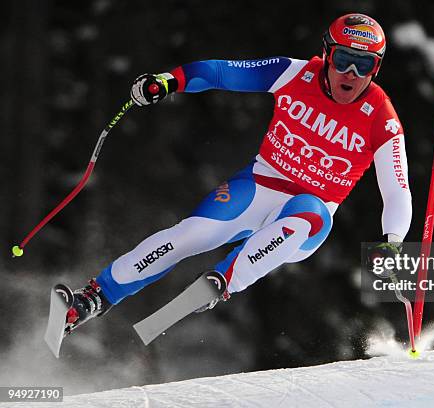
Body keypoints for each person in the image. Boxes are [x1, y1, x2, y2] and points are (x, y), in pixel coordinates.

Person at [65, 13, 413, 334]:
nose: (351, 73)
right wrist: (169, 81)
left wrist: (393, 242)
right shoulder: (294, 73)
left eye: (363, 64)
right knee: (190, 234)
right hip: (258, 185)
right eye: (343, 60)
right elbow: (220, 72)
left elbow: (397, 190)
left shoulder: (382, 118)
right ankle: (92, 298)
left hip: (304, 218)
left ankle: (220, 282)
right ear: (327, 53)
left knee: (310, 210)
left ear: (376, 69)